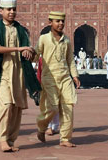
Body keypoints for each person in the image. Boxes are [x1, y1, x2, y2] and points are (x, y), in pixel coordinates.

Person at [0, 0, 40, 152]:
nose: (12, 12)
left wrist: (30, 51)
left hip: (18, 73)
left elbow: (30, 54)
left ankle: (11, 139)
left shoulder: (20, 30)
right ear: (0, 11)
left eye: (14, 9)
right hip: (2, 72)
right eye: (8, 9)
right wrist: (19, 49)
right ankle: (2, 138)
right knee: (6, 105)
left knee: (17, 108)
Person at [35, 11, 81, 148]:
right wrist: (29, 55)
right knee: (52, 107)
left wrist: (75, 75)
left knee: (68, 106)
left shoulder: (66, 40)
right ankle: (42, 127)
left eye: (62, 21)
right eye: (57, 21)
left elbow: (70, 59)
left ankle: (65, 138)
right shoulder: (43, 38)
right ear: (50, 22)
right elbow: (36, 55)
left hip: (65, 77)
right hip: (49, 77)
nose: (60, 24)